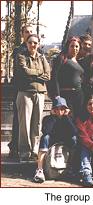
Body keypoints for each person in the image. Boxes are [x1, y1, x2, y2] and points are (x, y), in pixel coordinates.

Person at [15, 34, 51, 161]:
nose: (33, 45)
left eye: (35, 43)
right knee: (24, 123)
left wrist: (33, 75)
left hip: (40, 93)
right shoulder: (21, 56)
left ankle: (35, 150)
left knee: (37, 124)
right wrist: (39, 74)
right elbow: (24, 72)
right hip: (25, 92)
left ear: (38, 44)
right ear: (26, 43)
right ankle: (24, 152)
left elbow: (48, 75)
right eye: (30, 42)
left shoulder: (42, 57)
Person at [33, 97, 78, 183]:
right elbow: (46, 131)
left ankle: (72, 168)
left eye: (62, 108)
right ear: (53, 109)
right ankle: (40, 170)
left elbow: (74, 131)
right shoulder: (47, 118)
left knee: (74, 138)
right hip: (52, 140)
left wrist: (66, 117)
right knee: (45, 137)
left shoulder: (69, 118)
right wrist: (53, 117)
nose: (59, 111)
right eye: (57, 108)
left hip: (65, 140)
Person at [8, 24, 34, 159]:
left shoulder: (36, 48)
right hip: (20, 88)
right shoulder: (19, 50)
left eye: (31, 31)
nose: (29, 33)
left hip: (32, 89)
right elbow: (22, 71)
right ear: (22, 34)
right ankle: (15, 147)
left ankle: (27, 147)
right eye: (26, 32)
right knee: (18, 119)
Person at [50, 36, 84, 119]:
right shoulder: (62, 58)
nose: (74, 48)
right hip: (65, 95)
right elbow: (54, 77)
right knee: (66, 119)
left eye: (77, 46)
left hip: (78, 95)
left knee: (77, 120)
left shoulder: (79, 61)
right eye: (72, 46)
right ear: (68, 47)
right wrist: (57, 96)